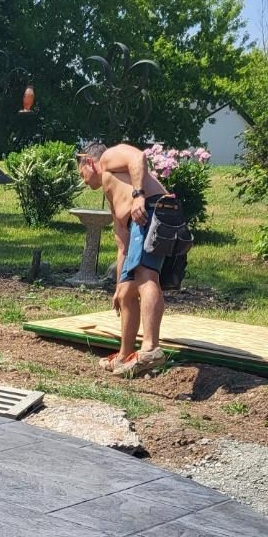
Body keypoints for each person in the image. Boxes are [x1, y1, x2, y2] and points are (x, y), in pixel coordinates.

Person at [76, 140, 189, 377]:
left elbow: (138, 157)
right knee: (127, 293)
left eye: (81, 172)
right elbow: (122, 245)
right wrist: (118, 286)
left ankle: (150, 348)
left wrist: (138, 196)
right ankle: (124, 356)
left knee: (146, 276)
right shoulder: (112, 194)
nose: (82, 179)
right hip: (140, 220)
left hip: (151, 210)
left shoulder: (107, 158)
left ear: (89, 161)